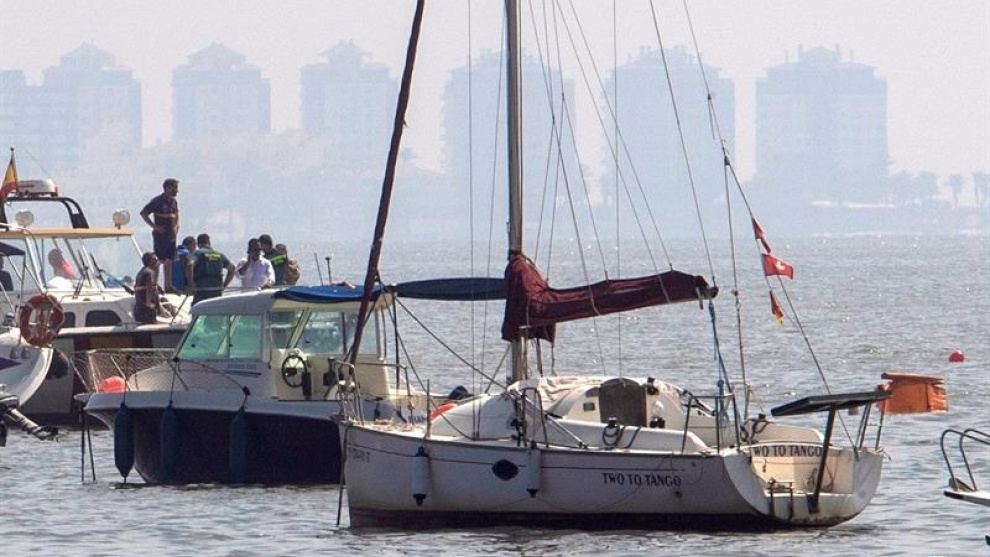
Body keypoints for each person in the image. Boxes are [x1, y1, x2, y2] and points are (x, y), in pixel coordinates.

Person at [140, 178, 180, 292]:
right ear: (168, 188)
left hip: (171, 235)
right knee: (158, 260)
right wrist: (154, 227)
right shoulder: (157, 201)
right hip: (160, 236)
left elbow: (176, 215)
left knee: (169, 260)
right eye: (175, 188)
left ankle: (168, 286)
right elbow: (144, 213)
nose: (177, 191)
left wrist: (176, 226)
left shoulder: (174, 202)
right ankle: (155, 285)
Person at [187, 233, 235, 305]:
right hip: (216, 290)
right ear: (209, 242)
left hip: (201, 290)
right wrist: (224, 286)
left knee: (198, 309)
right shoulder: (219, 254)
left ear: (198, 244)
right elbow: (232, 268)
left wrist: (191, 284)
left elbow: (190, 264)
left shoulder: (198, 253)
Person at [133, 252, 160, 324]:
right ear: (150, 261)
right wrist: (149, 304)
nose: (157, 261)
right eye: (155, 260)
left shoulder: (141, 272)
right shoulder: (149, 273)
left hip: (139, 310)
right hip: (147, 311)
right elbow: (149, 289)